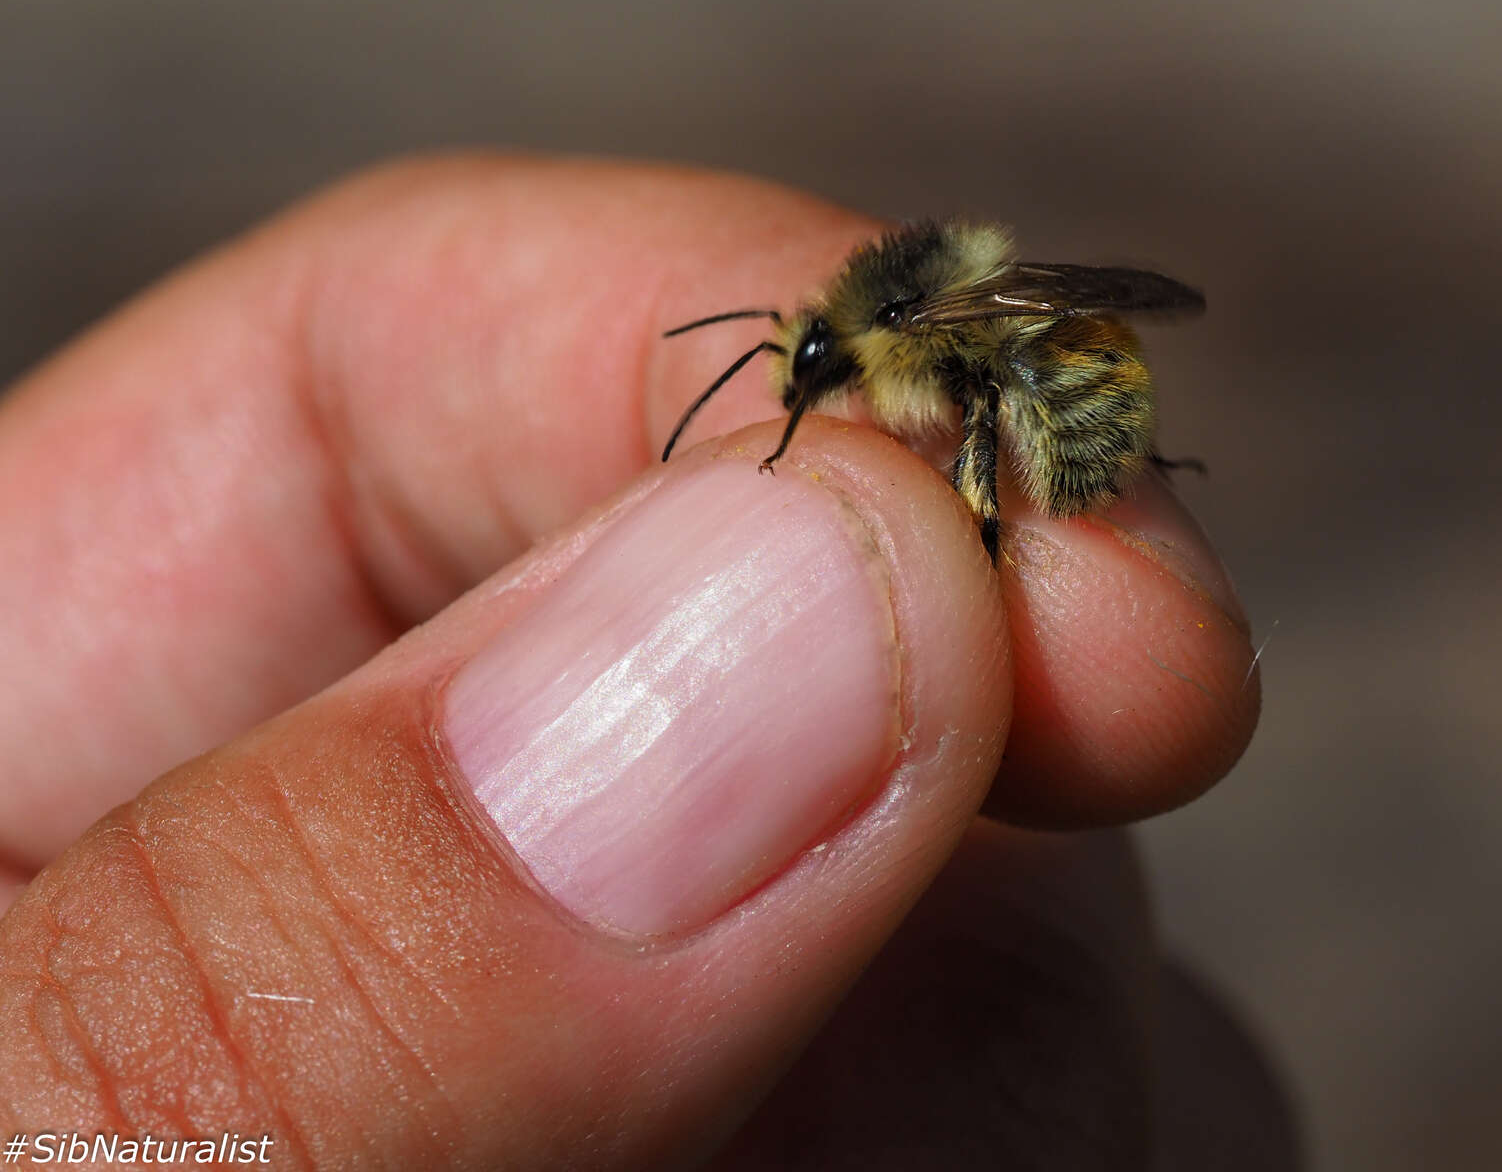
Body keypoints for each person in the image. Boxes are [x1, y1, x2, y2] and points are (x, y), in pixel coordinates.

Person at [0, 157, 1294, 1167]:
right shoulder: (910, 316)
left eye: (820, 371)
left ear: (875, 333)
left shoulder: (923, 331)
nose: (817, 388)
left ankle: (1008, 530)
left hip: (1060, 391)